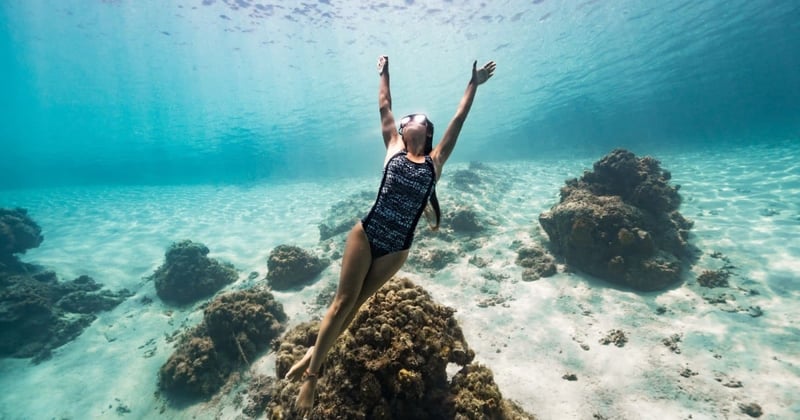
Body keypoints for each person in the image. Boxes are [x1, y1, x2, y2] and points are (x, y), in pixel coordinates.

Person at [285, 55, 496, 414]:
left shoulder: (436, 160)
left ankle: (315, 349)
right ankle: (312, 378)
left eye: (415, 118)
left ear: (426, 131)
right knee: (341, 305)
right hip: (366, 235)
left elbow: (459, 119)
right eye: (405, 119)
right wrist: (384, 72)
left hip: (396, 250)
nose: (406, 120)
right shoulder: (393, 148)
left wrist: (472, 82)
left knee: (352, 310)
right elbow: (384, 104)